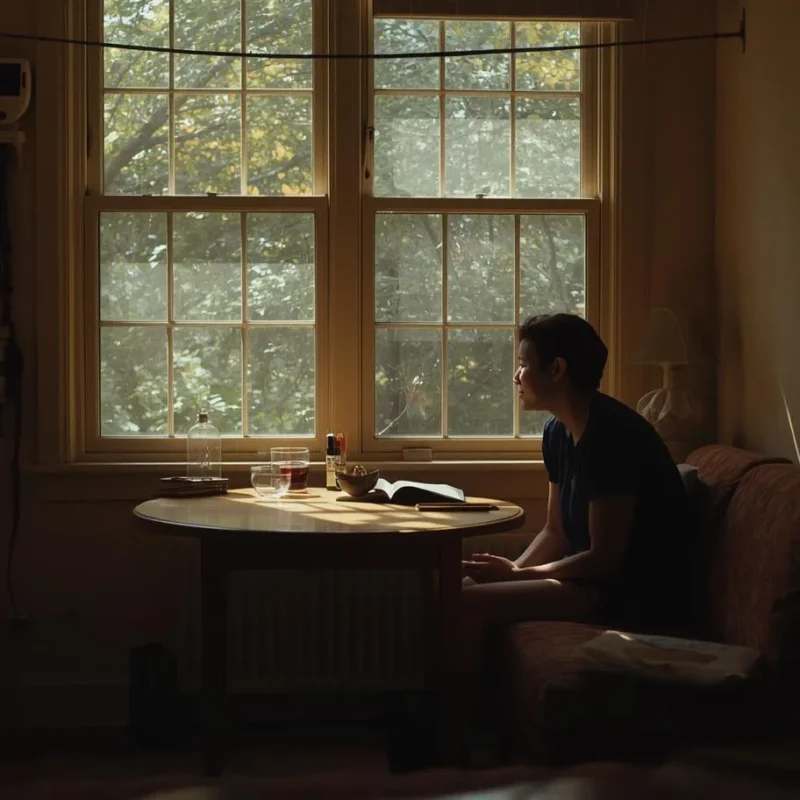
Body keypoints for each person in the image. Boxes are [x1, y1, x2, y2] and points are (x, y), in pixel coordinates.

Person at [458, 313, 692, 748]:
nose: (516, 375)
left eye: (524, 362)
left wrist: (515, 578)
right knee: (468, 584)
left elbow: (605, 559)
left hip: (628, 590)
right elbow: (555, 530)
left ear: (558, 369)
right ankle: (468, 727)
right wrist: (512, 569)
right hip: (588, 577)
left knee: (468, 603)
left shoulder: (612, 437)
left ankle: (465, 738)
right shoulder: (558, 432)